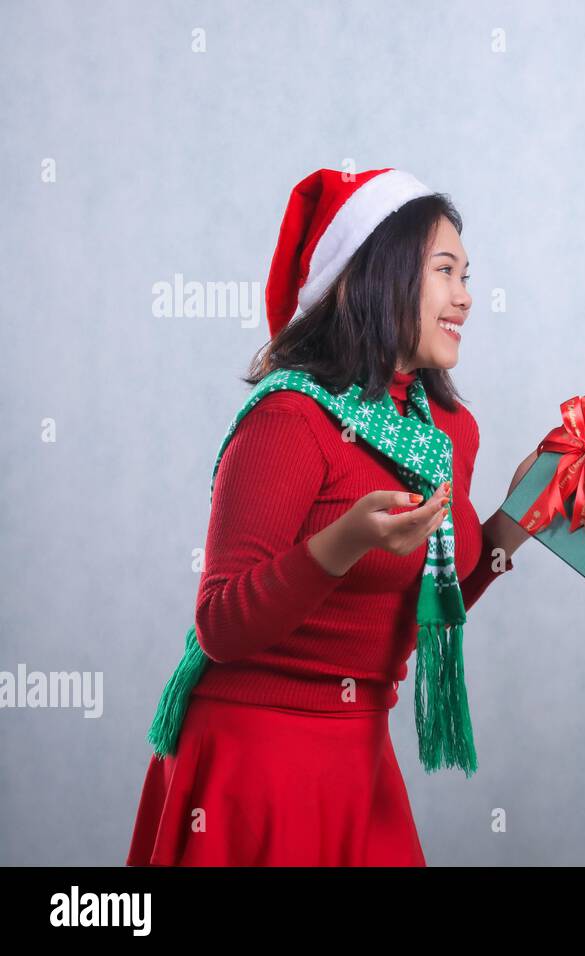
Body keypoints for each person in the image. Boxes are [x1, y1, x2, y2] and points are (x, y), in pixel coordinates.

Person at [126, 167, 534, 866]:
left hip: (360, 754)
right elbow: (220, 624)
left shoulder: (445, 432)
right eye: (445, 271)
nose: (466, 297)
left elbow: (429, 598)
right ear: (370, 276)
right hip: (256, 758)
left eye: (468, 275)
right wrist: (337, 545)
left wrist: (521, 521)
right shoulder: (290, 419)